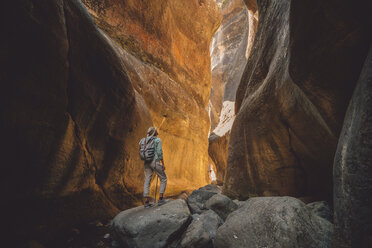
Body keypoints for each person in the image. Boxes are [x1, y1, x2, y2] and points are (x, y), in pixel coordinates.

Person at [143, 127, 168, 208]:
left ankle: (146, 202)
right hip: (155, 161)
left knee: (147, 180)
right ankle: (161, 198)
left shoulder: (145, 140)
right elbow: (159, 152)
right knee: (163, 178)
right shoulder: (157, 140)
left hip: (146, 162)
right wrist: (163, 164)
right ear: (154, 132)